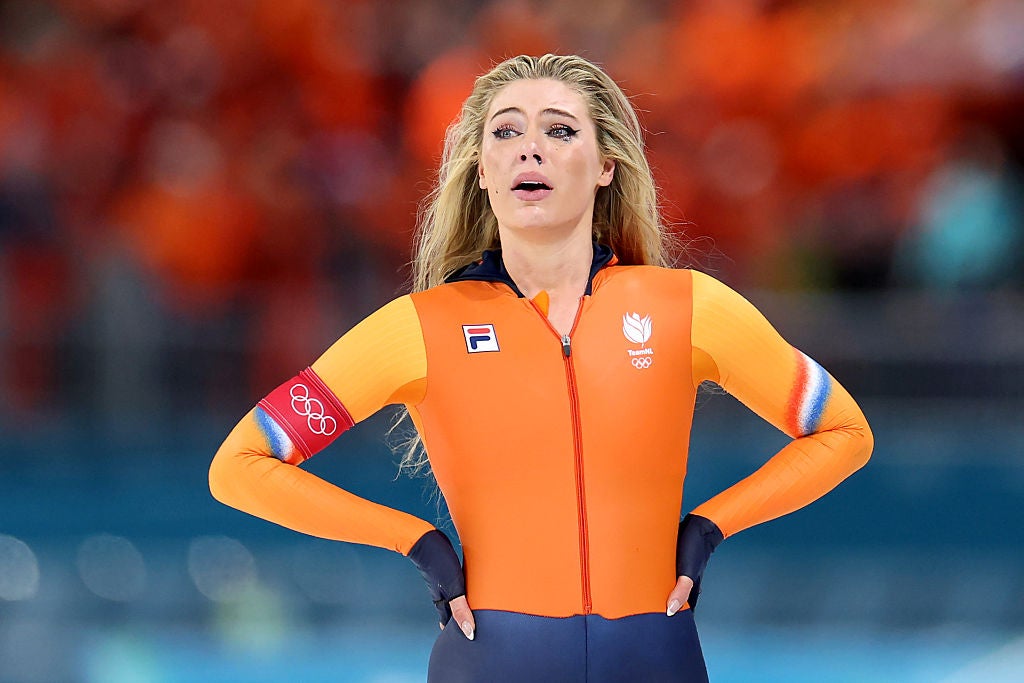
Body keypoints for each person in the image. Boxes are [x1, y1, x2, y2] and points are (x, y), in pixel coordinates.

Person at [209, 54, 873, 682]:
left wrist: (710, 525)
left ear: (606, 165)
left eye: (559, 130)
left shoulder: (689, 308)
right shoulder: (418, 327)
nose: (530, 149)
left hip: (656, 657)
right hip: (492, 660)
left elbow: (844, 432)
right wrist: (413, 539)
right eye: (506, 132)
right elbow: (240, 465)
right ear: (482, 170)